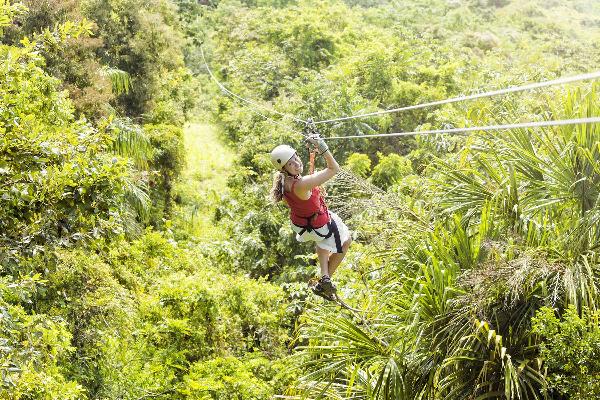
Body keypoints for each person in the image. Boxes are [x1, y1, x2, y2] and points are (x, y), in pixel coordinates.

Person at [269, 134, 352, 300]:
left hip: (302, 226)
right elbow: (334, 168)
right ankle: (324, 281)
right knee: (347, 240)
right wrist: (323, 147)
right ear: (284, 169)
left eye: (295, 158)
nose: (296, 164)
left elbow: (300, 198)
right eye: (290, 164)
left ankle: (325, 275)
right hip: (318, 226)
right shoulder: (302, 184)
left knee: (323, 241)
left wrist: (314, 193)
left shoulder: (282, 182)